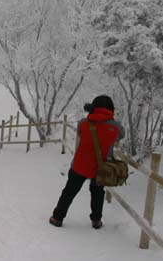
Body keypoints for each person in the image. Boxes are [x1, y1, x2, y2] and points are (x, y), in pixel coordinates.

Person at [49, 95, 125, 229]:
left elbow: (80, 132)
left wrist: (92, 115)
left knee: (69, 191)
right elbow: (121, 134)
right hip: (101, 168)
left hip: (80, 165)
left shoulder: (84, 123)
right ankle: (96, 220)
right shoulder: (115, 127)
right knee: (97, 193)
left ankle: (57, 218)